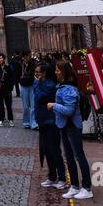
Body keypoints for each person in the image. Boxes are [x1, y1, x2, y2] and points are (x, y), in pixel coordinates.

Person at [48, 61, 92, 201]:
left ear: (64, 72)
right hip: (64, 126)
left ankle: (87, 187)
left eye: (57, 70)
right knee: (69, 157)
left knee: (79, 156)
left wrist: (53, 105)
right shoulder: (62, 87)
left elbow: (69, 110)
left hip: (72, 126)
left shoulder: (69, 90)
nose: (55, 72)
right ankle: (74, 185)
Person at [33, 60, 66, 189]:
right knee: (46, 149)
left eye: (37, 72)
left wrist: (36, 84)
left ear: (44, 73)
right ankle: (52, 176)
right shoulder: (42, 83)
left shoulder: (49, 85)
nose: (35, 75)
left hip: (51, 121)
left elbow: (39, 97)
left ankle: (62, 177)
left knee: (54, 150)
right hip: (42, 120)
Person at [0, 54, 14, 125]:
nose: (0, 59)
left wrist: (10, 88)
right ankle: (1, 119)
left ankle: (10, 119)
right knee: (0, 105)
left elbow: (11, 79)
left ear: (4, 59)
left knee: (8, 105)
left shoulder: (8, 67)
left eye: (1, 58)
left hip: (7, 89)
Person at [18, 51, 37, 130]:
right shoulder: (20, 64)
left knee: (33, 106)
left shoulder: (33, 64)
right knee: (25, 106)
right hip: (23, 86)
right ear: (23, 57)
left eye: (28, 56)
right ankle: (26, 122)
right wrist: (20, 80)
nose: (27, 58)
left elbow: (35, 73)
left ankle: (33, 123)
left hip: (31, 86)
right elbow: (17, 73)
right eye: (26, 56)